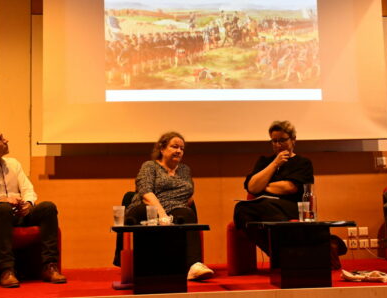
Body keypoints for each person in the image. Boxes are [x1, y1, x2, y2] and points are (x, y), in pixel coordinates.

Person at [0, 128, 66, 287]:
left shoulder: (13, 164)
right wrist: (0, 201)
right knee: (3, 208)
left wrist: (28, 204)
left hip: (19, 213)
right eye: (0, 139)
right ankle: (6, 270)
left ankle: (49, 266)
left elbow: (28, 190)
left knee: (48, 207)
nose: (6, 140)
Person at [126, 131, 214, 281]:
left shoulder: (184, 169)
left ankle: (194, 266)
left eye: (182, 148)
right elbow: (146, 192)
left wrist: (179, 208)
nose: (179, 151)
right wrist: (162, 214)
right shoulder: (150, 166)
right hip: (148, 207)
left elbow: (189, 193)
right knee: (148, 211)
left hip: (174, 207)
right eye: (174, 147)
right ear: (162, 149)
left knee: (187, 214)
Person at [234, 120, 314, 256]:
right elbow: (252, 187)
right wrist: (274, 163)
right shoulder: (264, 161)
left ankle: (285, 253)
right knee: (241, 208)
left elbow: (289, 187)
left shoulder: (303, 163)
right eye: (274, 141)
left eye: (282, 140)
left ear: (293, 140)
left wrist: (263, 186)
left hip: (293, 207)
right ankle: (278, 253)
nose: (278, 145)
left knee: (265, 204)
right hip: (266, 208)